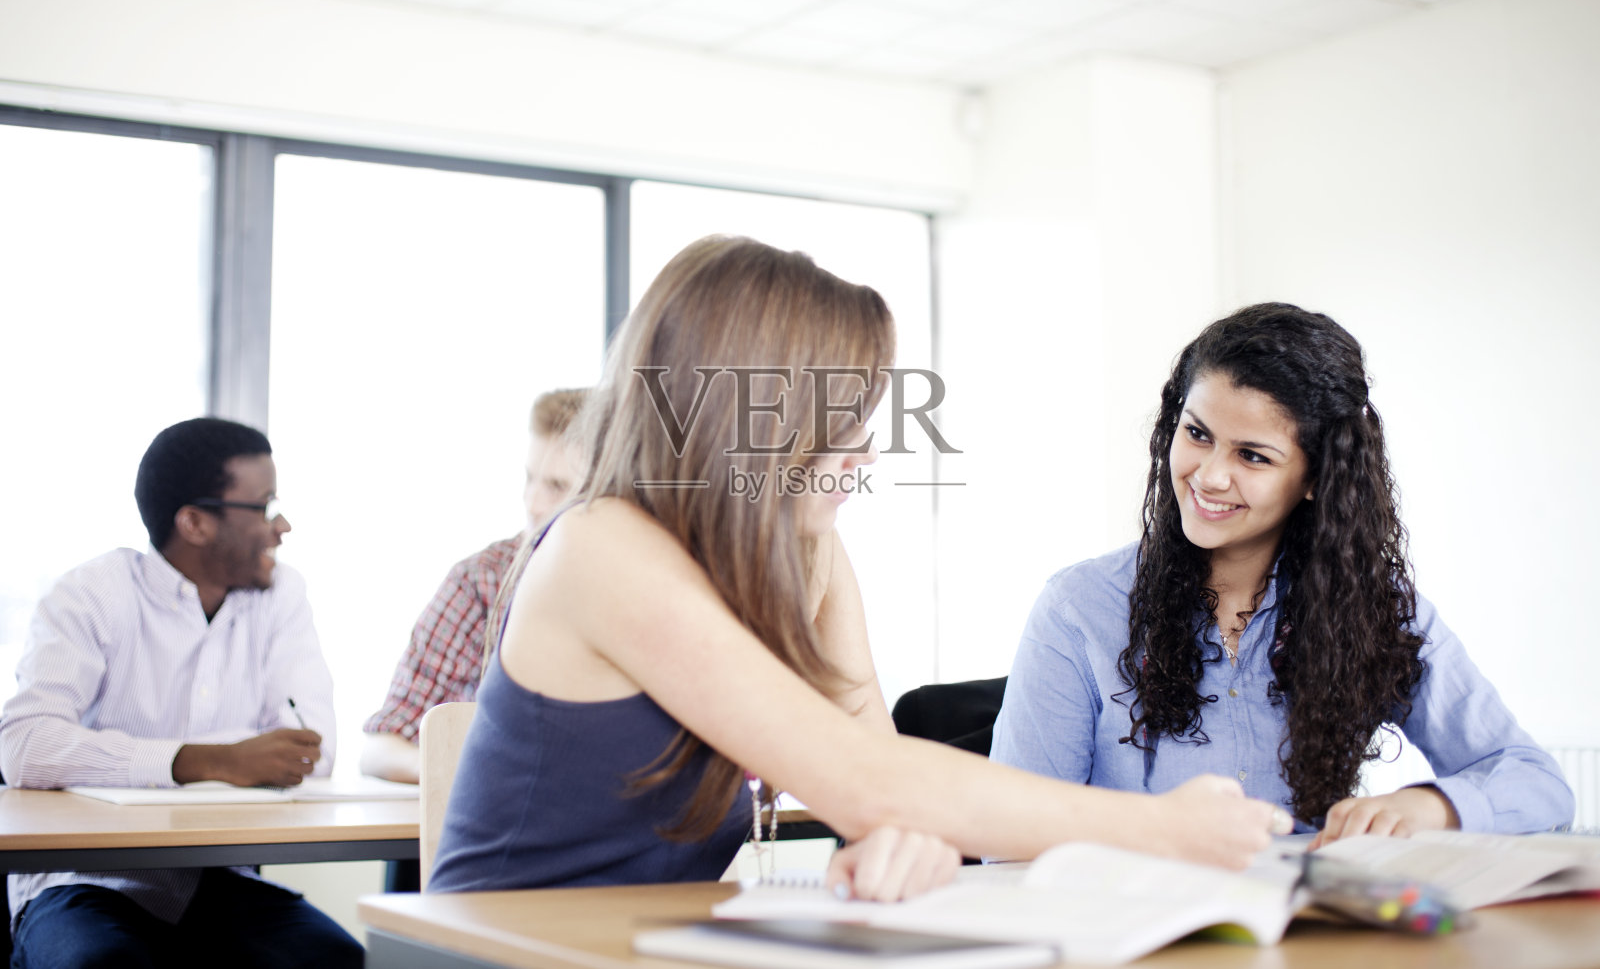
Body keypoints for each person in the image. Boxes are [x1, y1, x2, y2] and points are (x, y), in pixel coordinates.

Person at [428, 235, 1290, 905]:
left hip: (652, 946)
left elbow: (877, 774)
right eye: (846, 422)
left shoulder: (813, 553)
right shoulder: (599, 547)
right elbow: (868, 778)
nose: (868, 453)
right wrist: (1160, 827)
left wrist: (897, 832)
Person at [990, 302, 1574, 846]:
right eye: (1197, 434)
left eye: (1253, 456)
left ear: (1317, 478)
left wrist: (1433, 807)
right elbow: (1008, 837)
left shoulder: (1377, 609)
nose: (1210, 476)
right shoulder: (1079, 608)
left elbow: (1538, 785)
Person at [0, 417, 362, 968]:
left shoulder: (281, 594)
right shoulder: (92, 595)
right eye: (264, 507)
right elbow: (25, 746)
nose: (282, 525)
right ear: (194, 522)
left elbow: (311, 749)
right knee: (100, 964)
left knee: (331, 959)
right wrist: (211, 760)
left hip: (215, 878)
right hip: (85, 880)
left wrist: (119, 757)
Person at [360, 388, 589, 786]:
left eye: (556, 486)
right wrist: (452, 771)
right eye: (529, 477)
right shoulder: (481, 580)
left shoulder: (658, 588)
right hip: (499, 821)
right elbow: (380, 748)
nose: (532, 502)